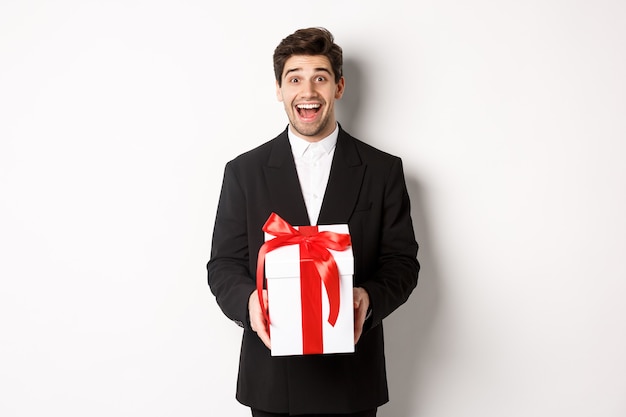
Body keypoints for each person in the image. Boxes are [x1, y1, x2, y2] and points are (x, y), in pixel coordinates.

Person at [207, 27, 419, 417]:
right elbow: (222, 265)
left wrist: (367, 299)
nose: (308, 91)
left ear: (338, 87)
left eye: (320, 77)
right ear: (279, 89)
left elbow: (403, 263)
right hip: (272, 381)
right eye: (295, 79)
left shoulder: (383, 170)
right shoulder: (244, 172)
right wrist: (250, 302)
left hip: (351, 380)